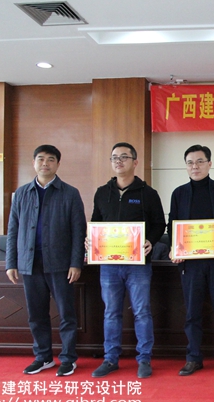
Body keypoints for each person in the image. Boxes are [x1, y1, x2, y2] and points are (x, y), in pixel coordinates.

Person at [5, 145, 86, 376]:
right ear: (33, 163)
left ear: (58, 164)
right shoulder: (22, 193)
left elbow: (78, 231)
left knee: (66, 313)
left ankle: (68, 358)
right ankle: (43, 357)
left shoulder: (70, 193)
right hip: (30, 263)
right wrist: (11, 262)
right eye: (40, 159)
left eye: (51, 159)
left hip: (60, 263)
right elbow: (13, 230)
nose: (45, 163)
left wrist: (76, 263)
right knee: (36, 314)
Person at [90, 142, 166, 379]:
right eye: (115, 157)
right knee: (111, 312)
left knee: (142, 312)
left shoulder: (148, 193)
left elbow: (159, 224)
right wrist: (90, 241)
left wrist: (151, 240)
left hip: (138, 264)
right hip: (109, 264)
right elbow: (96, 223)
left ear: (135, 162)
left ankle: (144, 359)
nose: (119, 161)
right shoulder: (102, 193)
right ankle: (110, 358)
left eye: (124, 157)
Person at [169, 144, 214, 377]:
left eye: (200, 161)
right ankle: (193, 358)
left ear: (209, 163)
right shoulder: (179, 193)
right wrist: (174, 248)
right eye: (190, 162)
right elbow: (173, 226)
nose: (195, 166)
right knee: (192, 313)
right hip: (190, 264)